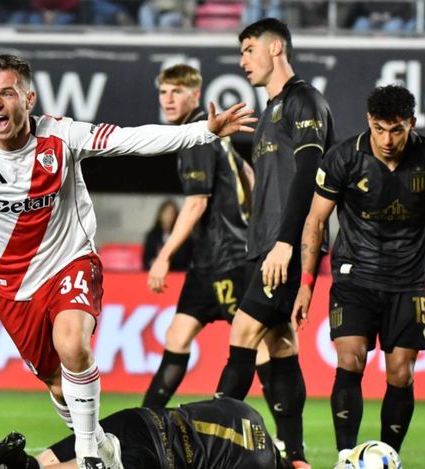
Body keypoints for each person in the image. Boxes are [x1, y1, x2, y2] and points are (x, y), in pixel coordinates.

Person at [0, 54, 255, 467]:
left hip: (71, 261)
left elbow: (132, 140)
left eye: (7, 93)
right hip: (14, 288)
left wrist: (204, 131)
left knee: (73, 343)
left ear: (29, 100)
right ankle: (104, 448)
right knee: (57, 382)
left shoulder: (62, 136)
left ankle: (89, 451)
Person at [292, 85, 425, 464]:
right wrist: (306, 284)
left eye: (396, 129)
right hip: (353, 276)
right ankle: (347, 455)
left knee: (401, 374)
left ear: (411, 123)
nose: (387, 139)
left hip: (407, 281)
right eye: (378, 129)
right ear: (368, 123)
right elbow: (315, 221)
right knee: (351, 359)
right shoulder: (343, 157)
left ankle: (389, 455)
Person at [213, 18, 334, 469]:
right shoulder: (266, 116)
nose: (242, 60)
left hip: (282, 245)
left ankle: (210, 436)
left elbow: (309, 174)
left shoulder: (303, 100)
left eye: (248, 49)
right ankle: (296, 458)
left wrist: (287, 244)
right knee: (279, 343)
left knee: (243, 335)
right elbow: (269, 182)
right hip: (263, 244)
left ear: (276, 47)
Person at [142, 64, 277, 429]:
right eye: (163, 92)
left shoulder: (197, 136)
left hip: (226, 259)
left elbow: (196, 202)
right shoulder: (214, 134)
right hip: (210, 259)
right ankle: (146, 421)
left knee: (256, 345)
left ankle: (283, 438)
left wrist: (163, 256)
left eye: (177, 92)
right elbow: (247, 174)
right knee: (178, 335)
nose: (168, 99)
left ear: (195, 95)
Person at [0, 397, 295, 469]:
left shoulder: (247, 410)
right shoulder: (259, 466)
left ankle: (15, 459)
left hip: (138, 419)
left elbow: (189, 407)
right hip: (154, 457)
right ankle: (14, 465)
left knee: (49, 460)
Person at [141, 198, 190, 271]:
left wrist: (168, 261)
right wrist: (154, 263)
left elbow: (185, 259)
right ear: (160, 215)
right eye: (166, 213)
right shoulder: (152, 236)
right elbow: (146, 259)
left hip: (176, 274)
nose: (169, 216)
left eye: (171, 213)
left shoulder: (182, 236)